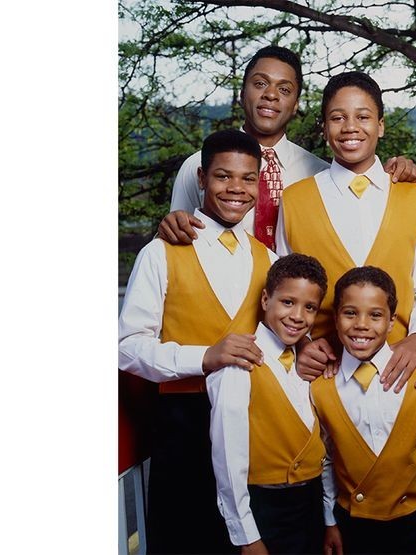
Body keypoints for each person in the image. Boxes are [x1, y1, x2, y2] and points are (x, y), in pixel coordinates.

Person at [118, 129, 275, 554]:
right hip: (180, 427)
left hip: (250, 427)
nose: (236, 189)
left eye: (247, 179)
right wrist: (204, 356)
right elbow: (127, 346)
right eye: (224, 177)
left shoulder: (269, 260)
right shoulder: (160, 252)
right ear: (202, 178)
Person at [276, 71, 416, 393]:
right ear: (324, 128)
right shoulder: (295, 199)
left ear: (380, 125)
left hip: (397, 369)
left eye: (363, 116)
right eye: (337, 118)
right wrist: (301, 344)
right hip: (321, 374)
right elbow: (285, 292)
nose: (350, 127)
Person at [159, 45, 416, 250]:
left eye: (284, 89)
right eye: (260, 84)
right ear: (242, 93)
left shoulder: (319, 173)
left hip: (295, 312)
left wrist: (400, 169)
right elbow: (178, 240)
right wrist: (169, 227)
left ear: (295, 104)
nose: (271, 95)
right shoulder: (199, 166)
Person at [310, 266, 416, 555]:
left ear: (391, 322)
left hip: (413, 521)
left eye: (375, 315)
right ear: (335, 318)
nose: (361, 324)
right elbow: (324, 461)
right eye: (350, 313)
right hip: (351, 524)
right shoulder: (320, 388)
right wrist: (329, 521)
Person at [206, 253, 330, 554]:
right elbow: (228, 458)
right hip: (264, 508)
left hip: (310, 505)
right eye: (288, 302)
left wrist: (327, 519)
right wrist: (246, 536)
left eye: (309, 307)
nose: (298, 316)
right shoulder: (239, 364)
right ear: (265, 300)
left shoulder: (306, 364)